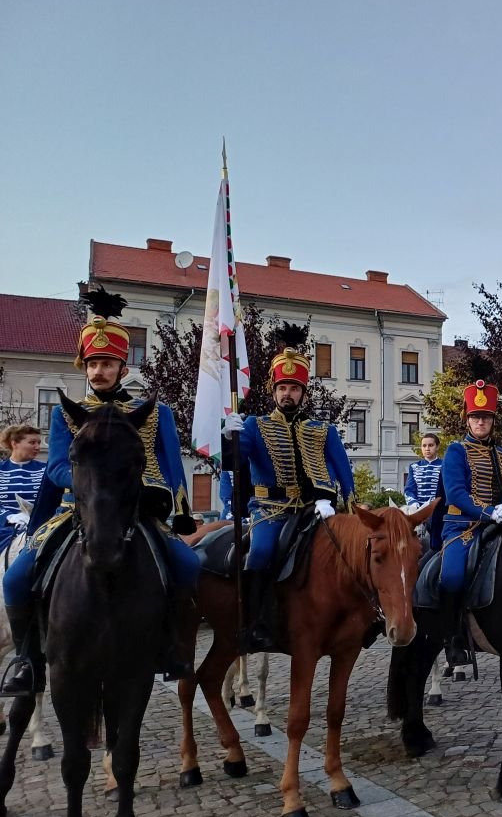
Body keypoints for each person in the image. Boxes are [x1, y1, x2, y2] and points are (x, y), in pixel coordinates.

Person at [2, 289, 198, 695]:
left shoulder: (154, 412)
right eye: (92, 364)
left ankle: (171, 647)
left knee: (188, 565)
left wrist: (173, 506)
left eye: (106, 364)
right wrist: (92, 483)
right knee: (16, 578)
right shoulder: (65, 413)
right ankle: (28, 660)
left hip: (139, 511)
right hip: (78, 512)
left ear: (121, 367)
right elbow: (56, 467)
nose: (98, 372)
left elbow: (173, 467)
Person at [221, 324, 354, 653]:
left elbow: (344, 474)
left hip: (314, 510)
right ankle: (254, 624)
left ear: (303, 393)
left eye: (294, 388)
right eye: (283, 387)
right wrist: (228, 438)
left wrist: (339, 504)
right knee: (262, 551)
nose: (288, 394)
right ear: (273, 390)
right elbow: (235, 462)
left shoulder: (323, 430)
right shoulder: (255, 425)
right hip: (271, 511)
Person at [437, 369, 502, 664]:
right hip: (464, 527)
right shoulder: (455, 451)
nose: (481, 421)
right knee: (453, 576)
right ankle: (451, 637)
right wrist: (490, 512)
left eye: (487, 417)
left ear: (494, 420)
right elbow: (455, 494)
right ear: (467, 419)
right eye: (476, 416)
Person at [0, 425, 45, 562]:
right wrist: (8, 517)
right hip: (3, 528)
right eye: (32, 442)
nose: (38, 447)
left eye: (38, 442)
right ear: (14, 443)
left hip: (38, 528)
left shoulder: (46, 470)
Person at [405, 432, 444, 511]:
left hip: (438, 510)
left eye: (431, 445)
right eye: (424, 446)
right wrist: (414, 504)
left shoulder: (445, 466)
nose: (427, 449)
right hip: (418, 510)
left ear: (437, 447)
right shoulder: (414, 467)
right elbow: (409, 490)